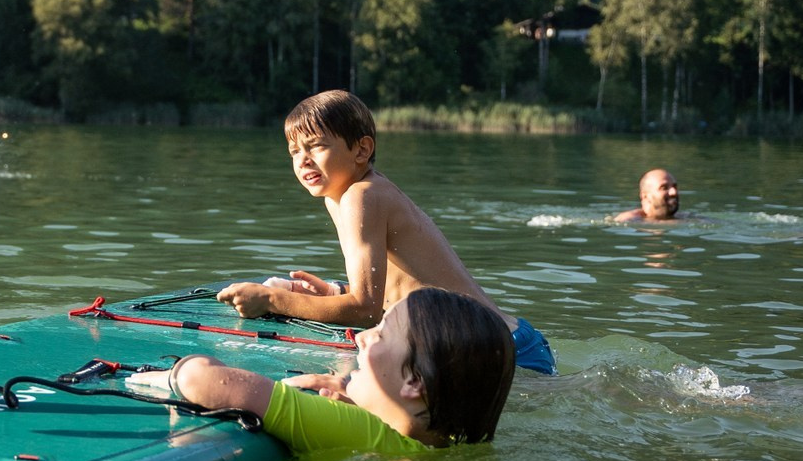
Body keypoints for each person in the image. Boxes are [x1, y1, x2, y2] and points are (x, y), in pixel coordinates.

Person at [211, 89, 558, 375]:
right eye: (294, 151)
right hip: (498, 344)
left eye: (316, 146)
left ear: (362, 149)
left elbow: (365, 310)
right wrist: (334, 292)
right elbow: (398, 288)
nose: (303, 160)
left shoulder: (363, 196)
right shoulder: (344, 195)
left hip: (498, 355)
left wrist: (272, 300)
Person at [127, 286, 516, 455]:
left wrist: (173, 373)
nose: (363, 338)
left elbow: (204, 382)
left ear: (414, 382)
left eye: (381, 333)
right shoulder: (440, 444)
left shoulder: (356, 432)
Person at [610, 168, 682, 224]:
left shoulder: (685, 217)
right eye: (664, 188)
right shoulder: (627, 220)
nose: (674, 192)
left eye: (674, 187)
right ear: (645, 196)